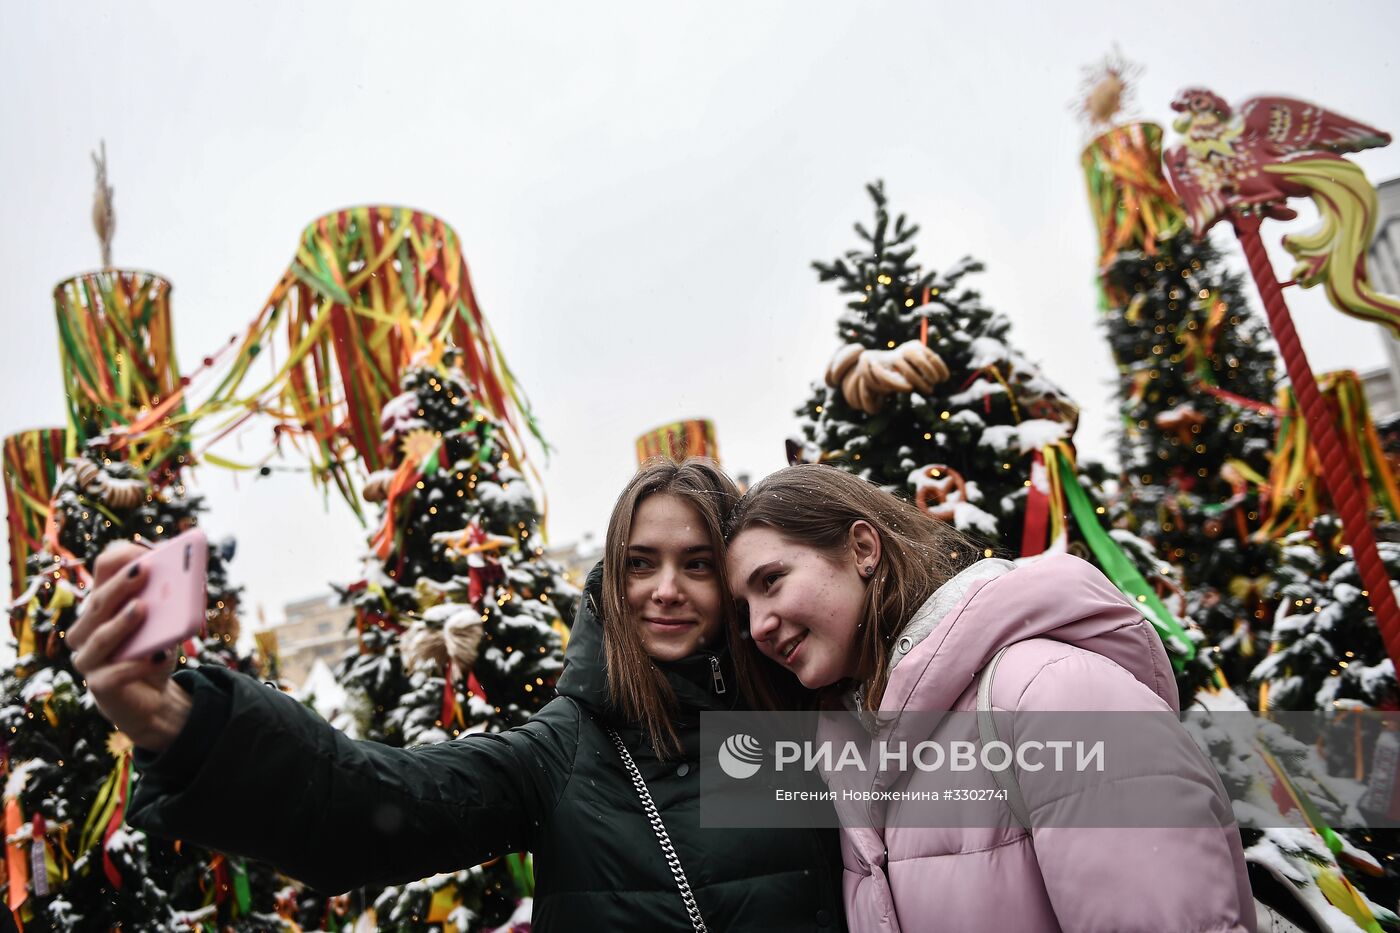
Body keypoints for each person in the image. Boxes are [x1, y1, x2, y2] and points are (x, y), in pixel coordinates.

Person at [69, 458, 844, 932]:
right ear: (612, 579)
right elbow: (379, 804)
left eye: (697, 564)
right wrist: (188, 724)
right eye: (641, 563)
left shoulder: (798, 715)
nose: (666, 590)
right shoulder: (568, 746)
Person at [725, 463, 1254, 933]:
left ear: (863, 549)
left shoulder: (1052, 690)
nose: (758, 626)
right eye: (744, 606)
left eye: (771, 581)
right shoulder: (855, 749)